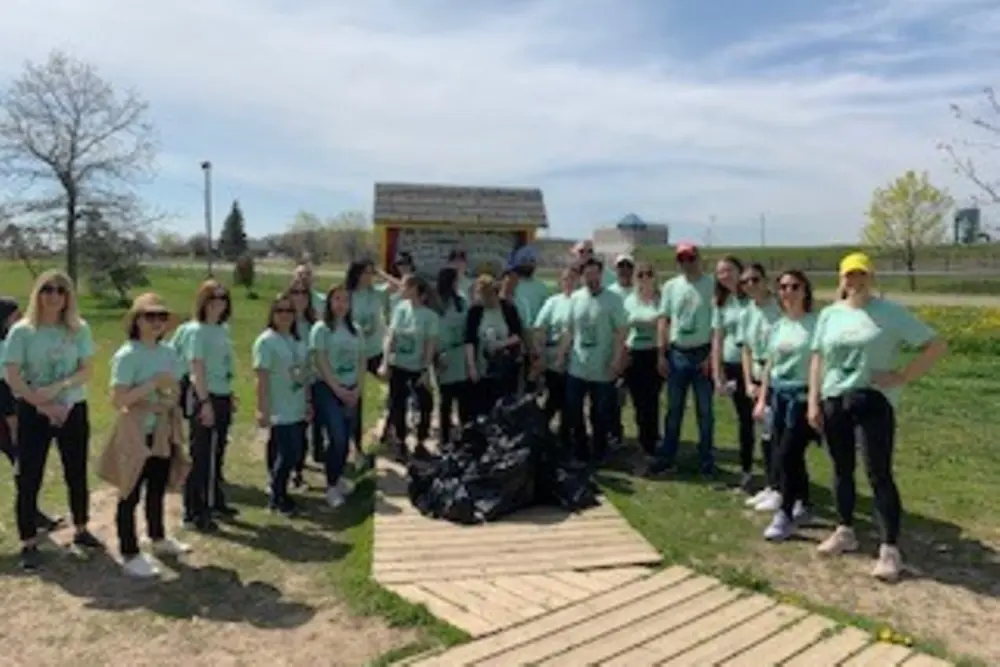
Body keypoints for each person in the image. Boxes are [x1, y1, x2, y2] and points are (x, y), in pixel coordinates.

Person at [808, 252, 946, 581]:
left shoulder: (890, 313)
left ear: (871, 278)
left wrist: (903, 376)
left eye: (861, 275)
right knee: (841, 469)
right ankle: (845, 530)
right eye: (849, 275)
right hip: (835, 399)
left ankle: (890, 549)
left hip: (873, 401)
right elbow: (817, 358)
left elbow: (935, 344)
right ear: (841, 279)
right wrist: (813, 401)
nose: (855, 282)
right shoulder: (829, 315)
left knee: (878, 473)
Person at [5, 270, 100, 570]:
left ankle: (82, 529)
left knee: (76, 470)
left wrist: (60, 387)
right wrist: (42, 405)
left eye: (60, 290)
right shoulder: (22, 331)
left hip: (73, 408)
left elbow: (87, 370)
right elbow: (12, 376)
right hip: (33, 410)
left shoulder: (78, 329)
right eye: (47, 289)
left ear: (68, 296)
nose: (54, 295)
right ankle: (29, 542)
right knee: (29, 475)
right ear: (38, 293)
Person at [108, 293, 192, 578]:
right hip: (136, 432)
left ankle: (157, 537)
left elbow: (176, 386)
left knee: (157, 487)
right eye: (150, 316)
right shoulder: (127, 355)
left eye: (162, 316)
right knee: (129, 492)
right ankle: (129, 551)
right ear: (137, 320)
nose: (157, 322)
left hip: (162, 430)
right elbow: (118, 399)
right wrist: (152, 386)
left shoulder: (169, 352)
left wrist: (167, 400)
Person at [753, 270, 816, 541]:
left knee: (788, 453)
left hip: (801, 397)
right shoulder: (779, 326)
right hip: (778, 395)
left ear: (805, 290)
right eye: (783, 287)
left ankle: (785, 514)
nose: (788, 292)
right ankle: (803, 501)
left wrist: (815, 399)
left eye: (794, 286)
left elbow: (820, 362)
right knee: (785, 452)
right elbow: (770, 364)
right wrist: (761, 399)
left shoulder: (815, 324)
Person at [650, 243, 716, 477]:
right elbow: (663, 320)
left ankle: (706, 458)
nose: (687, 264)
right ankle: (668, 456)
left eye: (691, 258)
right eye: (682, 259)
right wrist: (661, 353)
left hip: (702, 353)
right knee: (674, 409)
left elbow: (718, 322)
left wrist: (712, 355)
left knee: (705, 411)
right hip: (677, 354)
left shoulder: (711, 285)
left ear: (699, 259)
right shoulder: (671, 286)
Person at [0, 297, 62, 534]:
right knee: (24, 467)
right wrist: (13, 424)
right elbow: (4, 392)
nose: (20, 320)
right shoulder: (4, 347)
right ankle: (31, 515)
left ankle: (32, 514)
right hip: (5, 419)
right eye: (15, 316)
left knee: (23, 468)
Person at [557, 256, 627, 464]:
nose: (592, 278)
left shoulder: (613, 299)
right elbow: (569, 331)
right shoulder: (576, 298)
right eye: (587, 274)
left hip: (602, 368)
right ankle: (580, 451)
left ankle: (599, 451)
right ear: (581, 277)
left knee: (600, 413)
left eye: (595, 273)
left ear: (601, 274)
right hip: (578, 367)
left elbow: (621, 332)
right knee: (573, 410)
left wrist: (617, 360)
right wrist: (561, 355)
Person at [183, 280, 237, 532]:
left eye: (223, 298)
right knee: (201, 455)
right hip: (205, 396)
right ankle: (194, 511)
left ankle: (214, 500)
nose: (218, 303)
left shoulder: (222, 330)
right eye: (213, 298)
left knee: (217, 452)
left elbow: (223, 364)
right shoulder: (197, 331)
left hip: (222, 393)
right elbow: (197, 369)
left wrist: (230, 393)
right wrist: (204, 402)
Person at [254, 292, 310, 516]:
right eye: (280, 311)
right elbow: (261, 377)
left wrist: (308, 402)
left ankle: (280, 491)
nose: (285, 315)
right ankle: (277, 496)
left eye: (289, 311)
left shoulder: (298, 341)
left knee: (293, 452)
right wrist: (262, 408)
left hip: (297, 404)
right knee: (288, 452)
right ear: (272, 314)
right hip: (278, 406)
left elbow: (304, 374)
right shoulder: (266, 341)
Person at [311, 284, 365, 508]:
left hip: (351, 389)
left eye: (345, 300)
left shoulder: (356, 330)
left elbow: (361, 360)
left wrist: (357, 388)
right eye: (337, 299)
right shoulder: (321, 329)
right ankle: (331, 486)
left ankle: (338, 476)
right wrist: (337, 389)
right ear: (329, 302)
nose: (341, 304)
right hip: (327, 389)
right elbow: (320, 361)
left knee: (346, 438)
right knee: (337, 436)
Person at [738, 263, 784, 511]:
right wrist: (748, 382)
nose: (750, 285)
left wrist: (764, 388)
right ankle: (770, 483)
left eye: (755, 279)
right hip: (755, 379)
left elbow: (776, 352)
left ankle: (780, 488)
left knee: (776, 435)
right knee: (764, 436)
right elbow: (745, 349)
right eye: (745, 282)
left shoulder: (778, 309)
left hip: (774, 378)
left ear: (765, 280)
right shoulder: (747, 312)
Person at [380, 275, 438, 460]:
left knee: (425, 404)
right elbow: (391, 336)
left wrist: (425, 370)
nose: (401, 289)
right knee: (398, 404)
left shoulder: (430, 316)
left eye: (405, 286)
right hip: (399, 365)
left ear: (415, 289)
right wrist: (385, 362)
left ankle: (421, 441)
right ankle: (401, 441)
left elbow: (430, 343)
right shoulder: (400, 308)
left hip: (417, 367)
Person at [711, 255, 756, 490]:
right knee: (744, 419)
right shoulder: (722, 302)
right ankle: (746, 470)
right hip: (732, 365)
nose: (725, 275)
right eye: (720, 272)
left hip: (754, 366)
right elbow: (717, 339)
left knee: (762, 418)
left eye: (729, 270)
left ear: (740, 271)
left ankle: (777, 476)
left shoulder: (752, 298)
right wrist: (717, 372)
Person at [465, 275, 524, 416]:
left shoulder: (508, 308)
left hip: (505, 364)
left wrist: (501, 344)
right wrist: (471, 366)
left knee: (504, 403)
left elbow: (518, 335)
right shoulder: (475, 311)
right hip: (482, 365)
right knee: (481, 404)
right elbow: (469, 340)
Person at [346, 259, 384, 471]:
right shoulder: (348, 295)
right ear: (357, 274)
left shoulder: (376, 293)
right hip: (354, 354)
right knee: (356, 401)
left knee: (397, 385)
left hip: (376, 351)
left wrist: (381, 273)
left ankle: (391, 432)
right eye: (366, 273)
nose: (370, 277)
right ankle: (357, 447)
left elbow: (401, 286)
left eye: (372, 273)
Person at [622, 262, 664, 457]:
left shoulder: (661, 300)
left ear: (654, 277)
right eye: (640, 275)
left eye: (649, 274)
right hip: (634, 354)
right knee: (638, 401)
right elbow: (623, 326)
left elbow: (665, 324)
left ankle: (653, 440)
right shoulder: (629, 300)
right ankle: (643, 439)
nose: (645, 278)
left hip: (654, 352)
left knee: (652, 399)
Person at [532, 267, 577, 448]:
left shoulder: (581, 300)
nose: (569, 282)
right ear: (560, 282)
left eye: (573, 278)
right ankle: (542, 434)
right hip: (553, 357)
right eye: (566, 279)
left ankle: (566, 438)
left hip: (574, 358)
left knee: (570, 402)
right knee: (553, 398)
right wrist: (540, 354)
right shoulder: (553, 302)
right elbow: (540, 328)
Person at [286, 277, 319, 484]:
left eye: (303, 293)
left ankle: (298, 469)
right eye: (295, 292)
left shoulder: (314, 324)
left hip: (310, 382)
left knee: (302, 428)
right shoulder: (283, 320)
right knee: (283, 430)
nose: (299, 297)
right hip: (287, 384)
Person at [435, 268, 470, 444]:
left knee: (463, 399)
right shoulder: (436, 303)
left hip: (460, 354)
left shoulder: (462, 302)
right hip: (443, 354)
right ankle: (445, 438)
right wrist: (435, 356)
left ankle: (464, 436)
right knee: (445, 400)